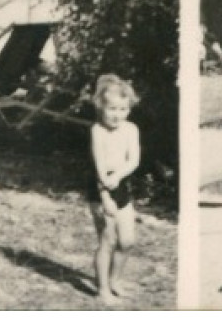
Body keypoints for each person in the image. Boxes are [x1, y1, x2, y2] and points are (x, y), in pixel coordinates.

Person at [89, 74, 141, 302]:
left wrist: (119, 176)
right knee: (107, 240)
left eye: (122, 109)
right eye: (111, 109)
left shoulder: (131, 129)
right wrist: (105, 195)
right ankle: (103, 290)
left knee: (127, 241)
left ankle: (115, 280)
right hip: (101, 187)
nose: (116, 114)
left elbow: (134, 160)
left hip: (122, 183)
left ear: (129, 109)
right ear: (101, 107)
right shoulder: (97, 131)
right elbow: (99, 165)